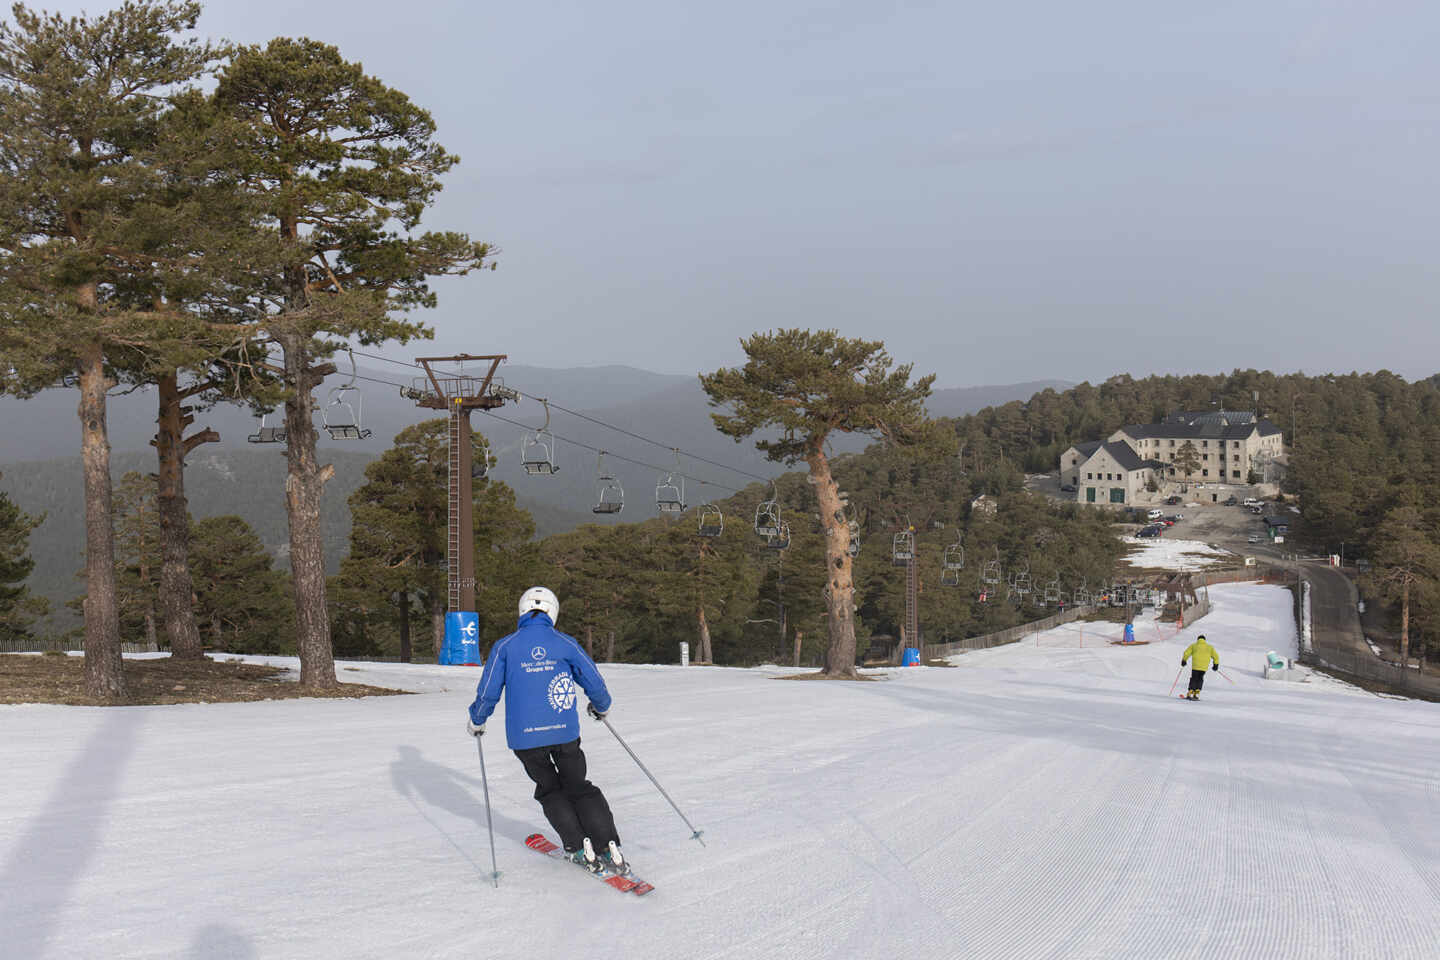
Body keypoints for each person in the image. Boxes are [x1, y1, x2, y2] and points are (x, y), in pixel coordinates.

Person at [467, 586, 626, 874]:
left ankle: (579, 847)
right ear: (553, 611)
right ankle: (607, 845)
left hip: (525, 739)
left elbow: (489, 691)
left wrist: (478, 719)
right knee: (579, 787)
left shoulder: (506, 646)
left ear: (522, 611)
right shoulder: (564, 643)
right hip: (564, 733)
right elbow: (594, 681)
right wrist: (601, 706)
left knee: (551, 789)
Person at [1180, 633, 1220, 700]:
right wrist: (1215, 665)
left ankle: (1191, 691)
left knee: (1194, 678)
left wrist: (1184, 660)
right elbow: (1216, 656)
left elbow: (1186, 653)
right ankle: (1197, 692)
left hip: (1195, 666)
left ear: (1198, 639)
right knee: (1200, 678)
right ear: (1204, 640)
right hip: (1203, 668)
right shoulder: (1210, 647)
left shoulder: (1194, 645)